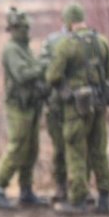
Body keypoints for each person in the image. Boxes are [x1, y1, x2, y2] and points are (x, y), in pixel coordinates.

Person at [45, 2, 109, 214]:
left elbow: (52, 76)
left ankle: (78, 200)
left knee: (75, 151)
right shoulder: (102, 42)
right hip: (99, 106)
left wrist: (67, 92)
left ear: (68, 22)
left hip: (76, 109)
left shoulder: (66, 45)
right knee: (99, 151)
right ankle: (104, 198)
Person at [0, 7, 49, 209]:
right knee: (17, 146)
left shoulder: (25, 48)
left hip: (31, 104)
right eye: (24, 27)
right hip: (18, 107)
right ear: (15, 28)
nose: (27, 31)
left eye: (27, 27)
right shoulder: (12, 49)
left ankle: (26, 191)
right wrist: (42, 67)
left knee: (31, 149)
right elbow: (22, 75)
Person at [39, 16, 70, 203]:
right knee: (60, 148)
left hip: (75, 106)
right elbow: (45, 71)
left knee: (76, 149)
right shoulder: (52, 42)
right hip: (56, 104)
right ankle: (62, 186)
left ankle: (76, 188)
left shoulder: (82, 42)